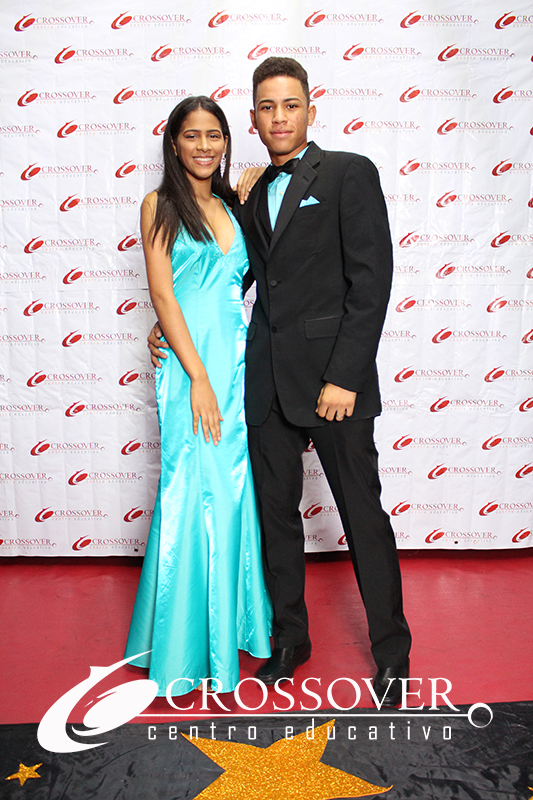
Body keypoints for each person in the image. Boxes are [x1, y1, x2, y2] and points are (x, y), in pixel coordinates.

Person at [150, 58, 411, 707]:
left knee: (362, 517)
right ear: (253, 117)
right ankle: (290, 640)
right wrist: (166, 326)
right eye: (266, 106)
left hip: (333, 386)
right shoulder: (244, 194)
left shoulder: (348, 172)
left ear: (309, 111)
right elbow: (227, 274)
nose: (279, 117)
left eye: (290, 104)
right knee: (275, 522)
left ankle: (392, 653)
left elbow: (371, 281)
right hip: (263, 383)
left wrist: (345, 376)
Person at [124, 96, 271, 697]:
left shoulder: (236, 204)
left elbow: (248, 280)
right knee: (189, 491)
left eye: (214, 135)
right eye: (192, 136)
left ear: (226, 142)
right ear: (173, 144)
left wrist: (254, 183)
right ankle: (181, 645)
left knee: (232, 491)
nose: (204, 146)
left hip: (236, 361)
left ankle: (229, 629)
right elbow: (164, 294)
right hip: (192, 369)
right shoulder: (158, 205)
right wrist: (199, 377)